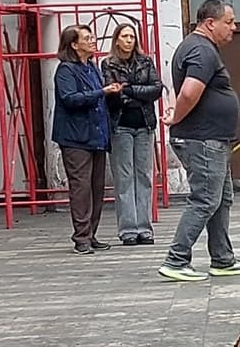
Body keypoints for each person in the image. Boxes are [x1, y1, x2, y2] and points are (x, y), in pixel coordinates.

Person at [160, 0, 240, 280]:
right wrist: (176, 117)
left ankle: (222, 259)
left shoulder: (198, 48)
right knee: (205, 199)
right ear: (210, 23)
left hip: (212, 139)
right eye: (229, 22)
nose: (234, 27)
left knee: (221, 198)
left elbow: (182, 89)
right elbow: (188, 92)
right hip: (202, 139)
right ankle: (176, 260)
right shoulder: (201, 50)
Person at [102, 17, 162, 245]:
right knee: (124, 177)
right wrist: (137, 93)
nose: (129, 40)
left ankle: (144, 228)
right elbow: (113, 94)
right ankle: (128, 229)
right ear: (116, 40)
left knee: (144, 176)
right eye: (124, 36)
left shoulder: (145, 61)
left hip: (145, 124)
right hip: (121, 124)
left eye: (132, 36)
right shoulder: (108, 64)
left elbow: (156, 89)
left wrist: (130, 90)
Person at [51, 24, 111, 253]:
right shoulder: (66, 70)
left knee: (96, 187)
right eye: (87, 38)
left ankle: (91, 233)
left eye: (92, 37)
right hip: (75, 137)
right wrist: (102, 92)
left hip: (97, 135)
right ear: (74, 45)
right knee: (81, 187)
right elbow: (70, 98)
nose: (93, 40)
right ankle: (81, 237)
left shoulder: (92, 67)